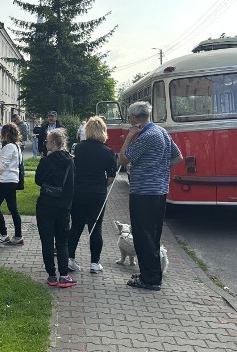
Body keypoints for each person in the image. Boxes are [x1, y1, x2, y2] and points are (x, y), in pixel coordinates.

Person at [117, 101, 183, 291]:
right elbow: (178, 158)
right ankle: (151, 273)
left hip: (144, 192)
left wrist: (129, 136)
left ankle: (150, 279)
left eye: (129, 117)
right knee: (153, 235)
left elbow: (122, 159)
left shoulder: (146, 136)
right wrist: (159, 168)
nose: (129, 121)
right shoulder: (161, 132)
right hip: (160, 191)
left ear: (135, 118)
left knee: (142, 235)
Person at [68, 117, 117, 274]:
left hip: (78, 191)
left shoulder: (78, 148)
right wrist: (101, 186)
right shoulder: (108, 151)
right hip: (97, 192)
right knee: (95, 228)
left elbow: (73, 169)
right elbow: (111, 176)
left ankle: (70, 259)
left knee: (76, 225)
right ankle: (95, 264)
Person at [35, 127, 76, 288]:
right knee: (62, 242)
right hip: (63, 207)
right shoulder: (70, 161)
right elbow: (72, 186)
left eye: (46, 141)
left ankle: (51, 275)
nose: (45, 144)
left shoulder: (46, 161)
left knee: (47, 241)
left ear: (53, 142)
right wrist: (67, 204)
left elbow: (38, 180)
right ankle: (64, 275)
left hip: (45, 204)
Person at [0, 122, 24, 247]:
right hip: (13, 180)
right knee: (13, 208)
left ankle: (4, 234)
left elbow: (3, 164)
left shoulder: (9, 147)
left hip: (6, 180)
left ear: (5, 133)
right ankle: (18, 235)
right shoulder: (16, 146)